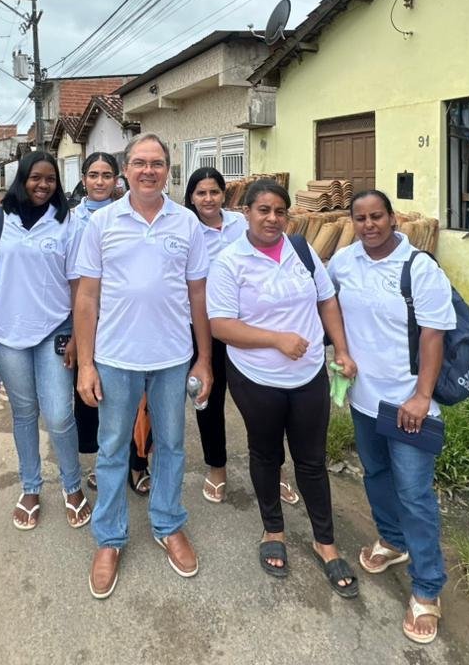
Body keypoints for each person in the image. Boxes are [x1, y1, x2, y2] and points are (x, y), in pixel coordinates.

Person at [73, 134, 214, 600]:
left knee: (171, 446)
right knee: (113, 449)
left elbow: (198, 295)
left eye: (156, 163)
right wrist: (86, 365)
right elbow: (87, 296)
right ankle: (109, 538)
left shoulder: (187, 224)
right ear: (125, 170)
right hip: (115, 358)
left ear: (168, 170)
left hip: (173, 359)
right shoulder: (103, 223)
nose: (148, 170)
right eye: (139, 163)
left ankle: (168, 523)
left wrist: (205, 359)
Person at [206, 179, 358, 595]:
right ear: (247, 213)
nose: (272, 219)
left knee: (311, 460)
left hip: (309, 374)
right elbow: (220, 325)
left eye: (280, 212)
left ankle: (324, 541)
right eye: (263, 211)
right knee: (266, 452)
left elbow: (326, 300)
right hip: (256, 378)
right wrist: (276, 339)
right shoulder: (229, 261)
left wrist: (340, 349)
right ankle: (272, 530)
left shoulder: (303, 250)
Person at [328, 189, 456, 645]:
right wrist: (339, 352)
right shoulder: (343, 262)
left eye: (377, 216)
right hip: (365, 397)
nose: (369, 225)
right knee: (376, 473)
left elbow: (434, 337)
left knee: (415, 492)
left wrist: (422, 395)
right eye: (360, 218)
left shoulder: (419, 268)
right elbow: (327, 304)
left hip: (407, 402)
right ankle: (392, 540)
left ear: (393, 218)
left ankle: (426, 588)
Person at [0, 150, 90, 532]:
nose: (42, 185)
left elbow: (78, 284)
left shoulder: (67, 222)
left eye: (50, 179)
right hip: (6, 333)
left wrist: (76, 333)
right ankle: (31, 487)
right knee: (24, 414)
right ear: (21, 179)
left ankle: (72, 486)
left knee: (58, 414)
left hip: (55, 329)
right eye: (35, 178)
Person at [184, 167, 302, 508]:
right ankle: (217, 467)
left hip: (250, 323)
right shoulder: (188, 229)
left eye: (214, 192)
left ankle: (274, 471)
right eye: (201, 193)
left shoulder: (240, 224)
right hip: (206, 324)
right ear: (191, 197)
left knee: (262, 400)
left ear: (225, 195)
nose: (208, 199)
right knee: (209, 398)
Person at [69, 153, 153, 494]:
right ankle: (104, 465)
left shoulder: (132, 214)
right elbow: (71, 280)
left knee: (137, 398)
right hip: (89, 318)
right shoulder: (70, 220)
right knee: (96, 396)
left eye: (106, 175)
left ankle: (138, 463)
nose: (100, 181)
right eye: (93, 174)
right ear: (84, 179)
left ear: (118, 179)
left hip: (129, 319)